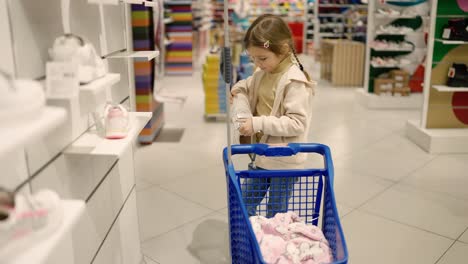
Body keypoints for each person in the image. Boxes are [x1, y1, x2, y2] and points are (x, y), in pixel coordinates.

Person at [230, 14, 316, 218]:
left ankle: (272, 247)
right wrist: (238, 91)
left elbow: (297, 123)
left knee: (276, 211)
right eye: (253, 58)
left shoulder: (294, 81)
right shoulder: (263, 74)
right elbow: (247, 85)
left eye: (262, 58)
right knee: (244, 203)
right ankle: (251, 241)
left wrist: (257, 122)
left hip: (284, 162)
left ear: (284, 49)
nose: (257, 64)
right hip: (261, 155)